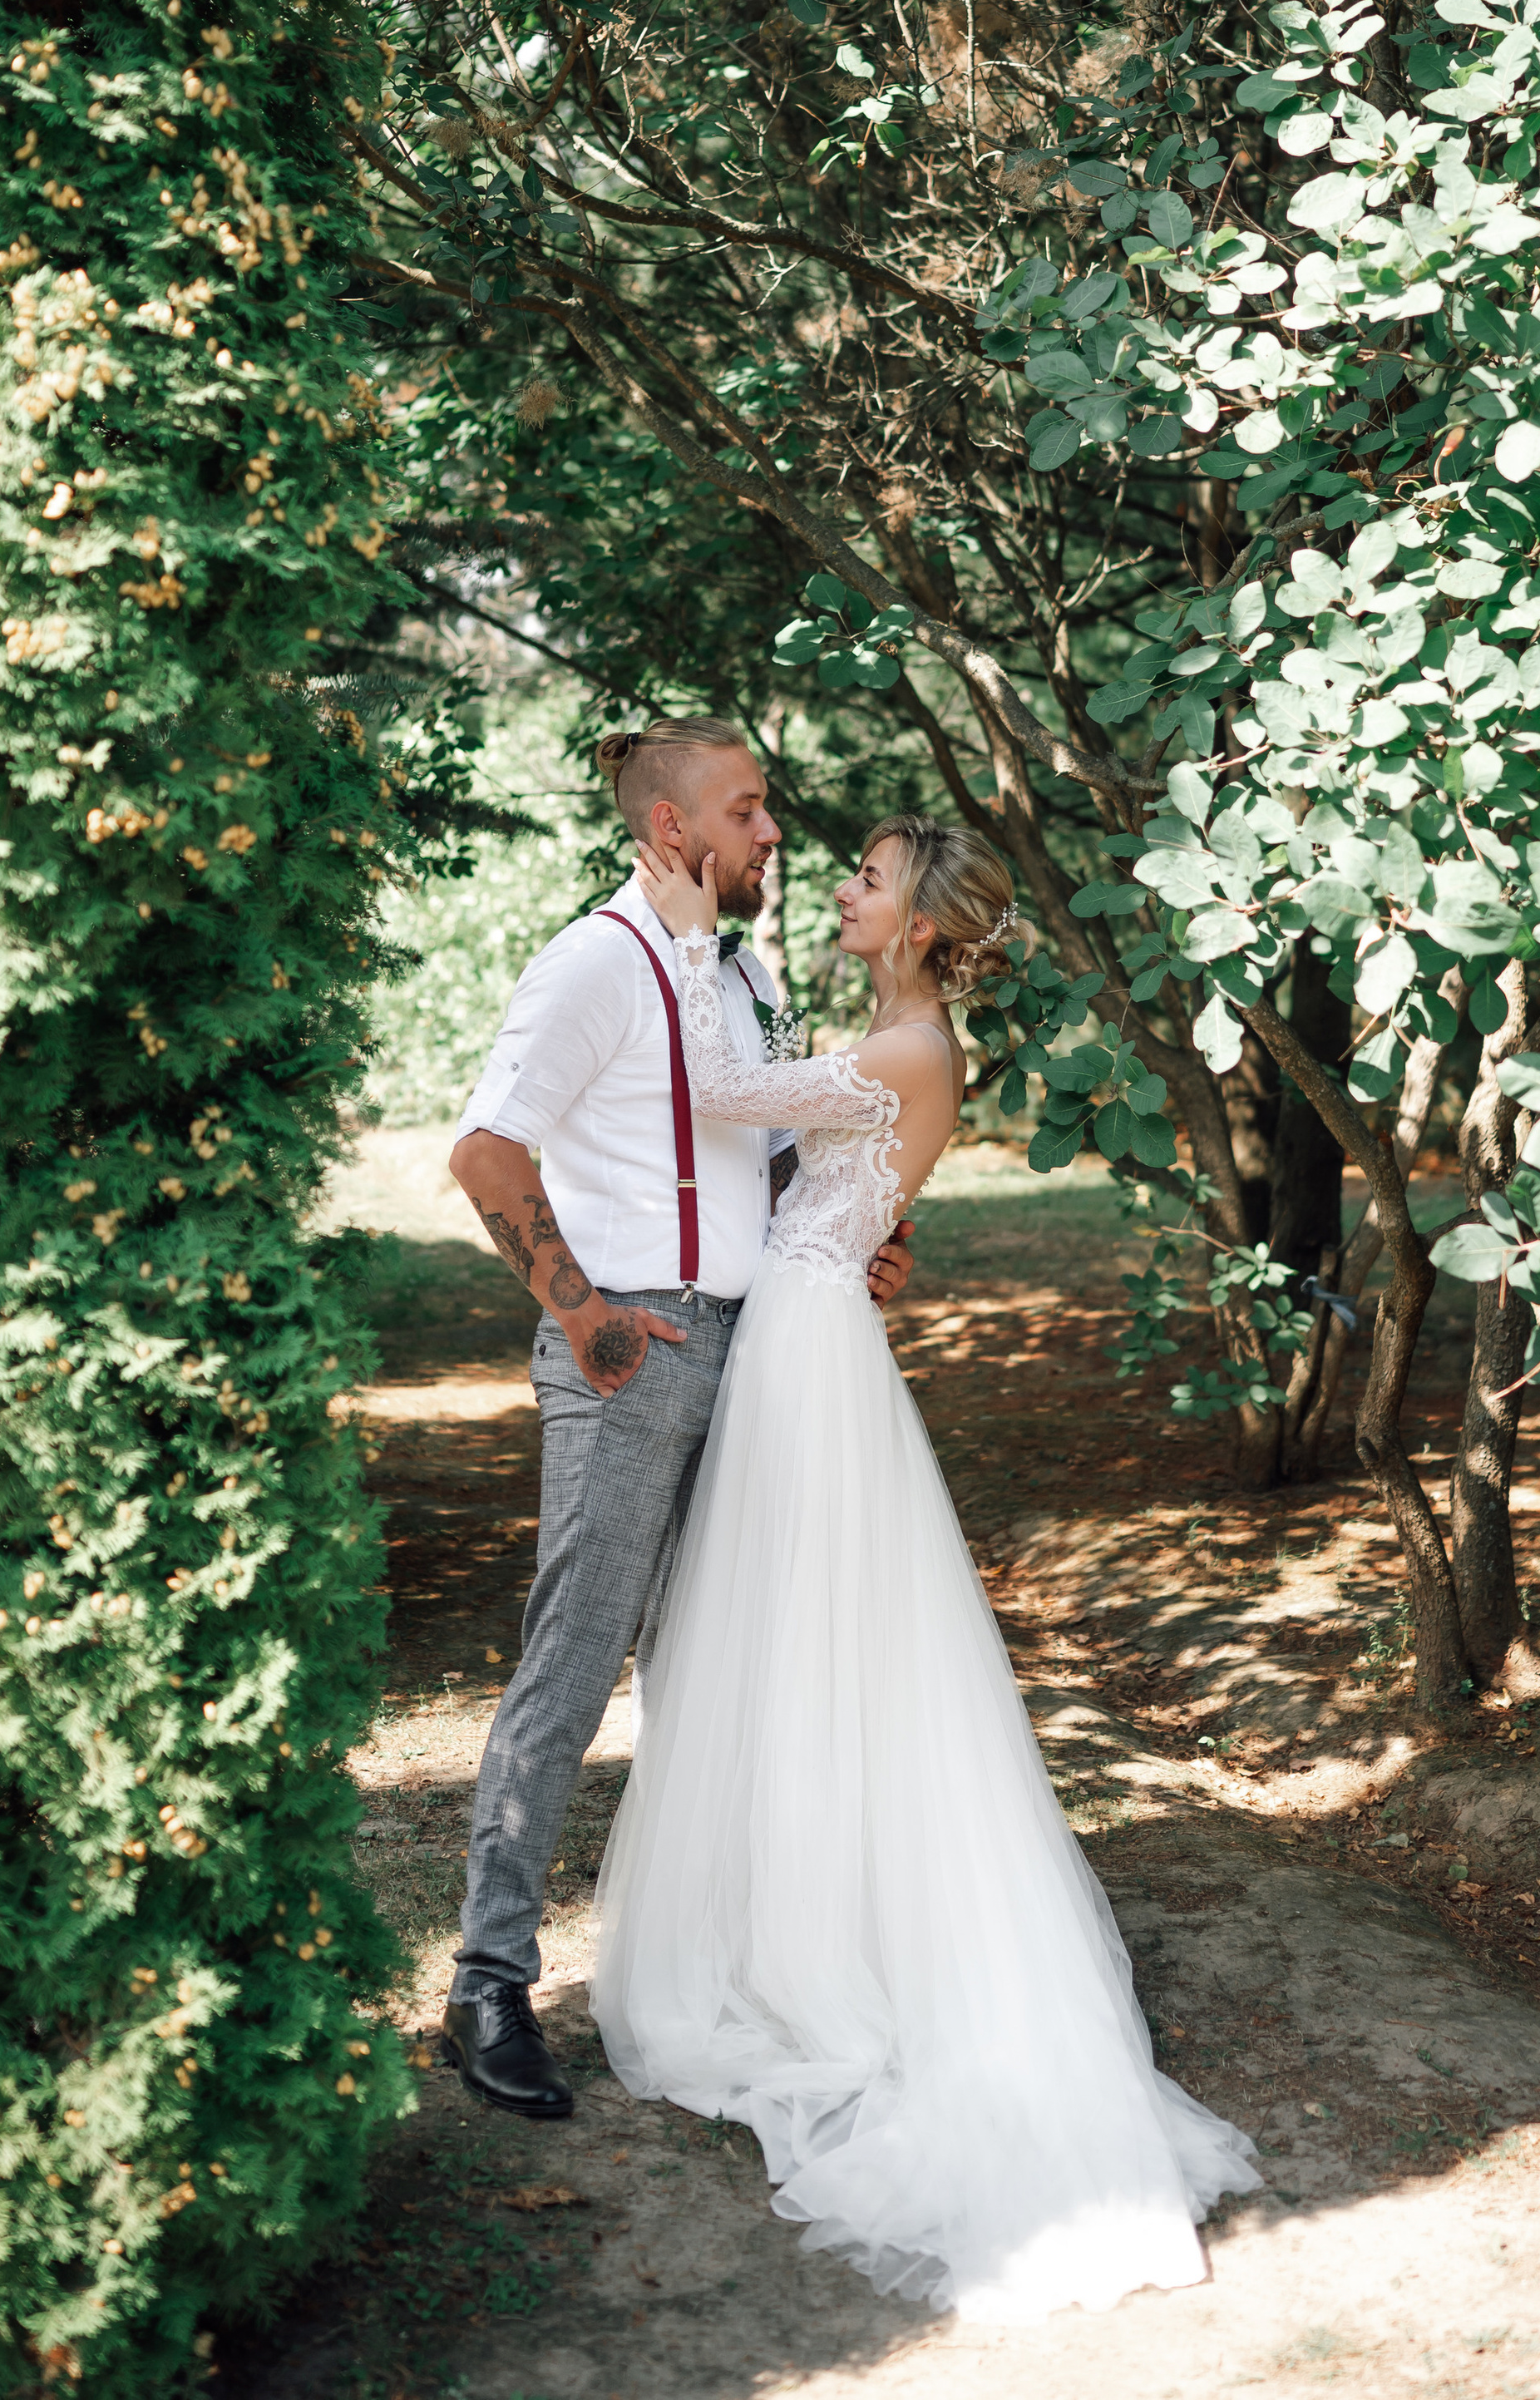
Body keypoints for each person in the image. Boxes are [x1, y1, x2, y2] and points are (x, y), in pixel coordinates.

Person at [591, 813, 1261, 2319]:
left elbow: (715, 1095)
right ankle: (799, 1920)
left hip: (813, 1354)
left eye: (869, 879)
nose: (842, 884)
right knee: (797, 1639)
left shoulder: (911, 1050)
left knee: (821, 1638)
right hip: (809, 1334)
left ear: (918, 925)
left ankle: (837, 1955)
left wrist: (689, 927)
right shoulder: (890, 1037)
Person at [440, 717, 914, 2122]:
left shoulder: (745, 973)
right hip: (632, 1348)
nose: (773, 834)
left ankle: (720, 1967)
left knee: (727, 1673)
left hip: (762, 1354)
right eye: (749, 810)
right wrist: (579, 1308)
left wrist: (858, 1237)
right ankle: (486, 1983)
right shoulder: (593, 963)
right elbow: (484, 1149)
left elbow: (765, 1149)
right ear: (673, 832)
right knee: (574, 1667)